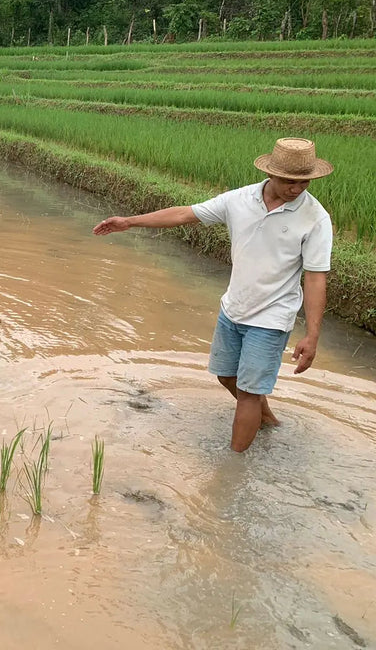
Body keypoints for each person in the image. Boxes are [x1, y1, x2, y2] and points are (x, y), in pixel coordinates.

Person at [92, 137, 334, 452]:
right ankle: (270, 423)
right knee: (226, 376)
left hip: (272, 317)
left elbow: (316, 279)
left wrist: (312, 335)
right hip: (233, 308)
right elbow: (184, 214)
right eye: (289, 181)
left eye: (304, 182)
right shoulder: (240, 199)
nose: (297, 188)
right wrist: (129, 222)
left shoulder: (315, 218)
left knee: (247, 393)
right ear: (271, 174)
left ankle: (233, 469)